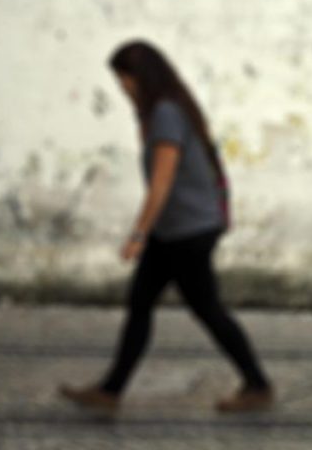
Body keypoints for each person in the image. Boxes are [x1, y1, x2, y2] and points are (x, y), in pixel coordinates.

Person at [59, 40, 272, 412]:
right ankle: (110, 391)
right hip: (175, 229)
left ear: (138, 78)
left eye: (123, 80)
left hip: (187, 231)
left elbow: (162, 181)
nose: (123, 89)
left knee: (206, 308)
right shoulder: (166, 111)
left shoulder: (166, 115)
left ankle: (258, 384)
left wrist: (139, 233)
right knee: (143, 302)